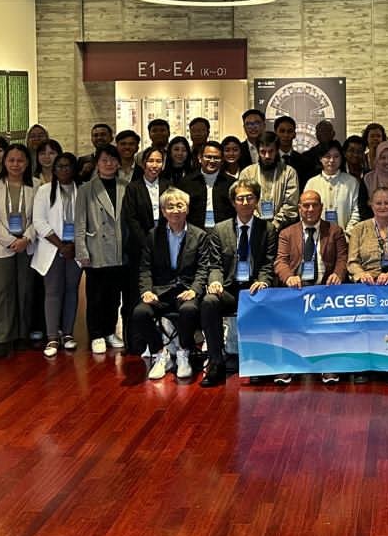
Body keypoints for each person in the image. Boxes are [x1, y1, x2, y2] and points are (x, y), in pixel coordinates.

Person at [134, 188, 219, 382]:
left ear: (187, 209)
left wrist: (195, 290)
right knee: (140, 313)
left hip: (186, 291)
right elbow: (145, 268)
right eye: (170, 207)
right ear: (163, 212)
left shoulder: (199, 235)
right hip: (161, 292)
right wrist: (146, 291)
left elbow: (203, 269)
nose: (175, 211)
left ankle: (183, 352)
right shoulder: (153, 236)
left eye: (180, 205)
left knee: (189, 310)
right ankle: (160, 353)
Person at [267, 189, 350, 385]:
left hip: (325, 289)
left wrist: (338, 275)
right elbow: (280, 262)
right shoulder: (287, 233)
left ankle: (328, 365)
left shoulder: (335, 231)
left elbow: (342, 258)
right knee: (285, 316)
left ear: (321, 208)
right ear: (299, 208)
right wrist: (289, 277)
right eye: (306, 205)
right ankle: (288, 364)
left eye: (314, 205)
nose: (310, 209)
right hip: (297, 290)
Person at [209, 180, 278, 381]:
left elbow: (268, 263)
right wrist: (215, 281)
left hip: (254, 288)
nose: (245, 202)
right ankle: (216, 362)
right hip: (229, 289)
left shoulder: (268, 229)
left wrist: (264, 281)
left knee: (262, 299)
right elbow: (215, 264)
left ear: (257, 200)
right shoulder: (220, 229)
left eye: (250, 198)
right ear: (233, 202)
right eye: (240, 198)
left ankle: (257, 362)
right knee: (209, 302)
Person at [349, 185, 388, 384]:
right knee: (364, 329)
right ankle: (363, 367)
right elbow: (352, 262)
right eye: (378, 203)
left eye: (387, 203)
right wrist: (362, 274)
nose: (383, 206)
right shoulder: (359, 229)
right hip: (366, 286)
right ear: (371, 204)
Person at [75, 145, 133, 355]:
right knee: (96, 296)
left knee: (114, 296)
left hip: (120, 249)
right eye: (104, 160)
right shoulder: (86, 189)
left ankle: (109, 331)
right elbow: (80, 222)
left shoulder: (126, 186)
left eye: (112, 160)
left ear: (118, 162)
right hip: (96, 249)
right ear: (97, 163)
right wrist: (82, 251)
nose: (109, 164)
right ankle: (96, 334)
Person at [0, 143, 37, 355]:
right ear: (5, 162)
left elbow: (38, 217)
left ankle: (22, 334)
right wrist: (9, 240)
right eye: (11, 160)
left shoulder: (36, 184)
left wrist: (26, 238)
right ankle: (4, 336)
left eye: (20, 160)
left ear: (27, 163)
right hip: (0, 246)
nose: (16, 164)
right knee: (2, 292)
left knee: (25, 290)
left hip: (26, 245)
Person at [31, 152, 83, 357]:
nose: (64, 170)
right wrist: (61, 246)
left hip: (76, 249)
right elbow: (38, 221)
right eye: (60, 166)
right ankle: (52, 336)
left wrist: (74, 245)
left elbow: (87, 220)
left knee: (71, 290)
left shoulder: (82, 190)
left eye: (68, 166)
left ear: (74, 169)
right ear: (54, 169)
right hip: (52, 248)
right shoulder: (44, 191)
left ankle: (68, 333)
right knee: (53, 292)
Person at [238, 132, 300, 232]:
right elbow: (245, 203)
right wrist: (259, 224)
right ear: (257, 151)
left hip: (282, 229)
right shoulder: (247, 173)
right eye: (263, 152)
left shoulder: (289, 172)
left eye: (271, 151)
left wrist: (274, 225)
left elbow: (290, 206)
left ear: (277, 150)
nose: (267, 156)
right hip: (254, 229)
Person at [304, 139, 361, 232]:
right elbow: (305, 211)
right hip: (318, 236)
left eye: (336, 156)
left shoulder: (352, 182)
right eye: (327, 156)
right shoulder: (312, 183)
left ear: (341, 158)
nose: (332, 160)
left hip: (345, 236)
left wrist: (347, 234)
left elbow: (356, 211)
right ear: (320, 158)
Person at [178, 141, 235, 229]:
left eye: (216, 158)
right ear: (200, 158)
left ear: (222, 160)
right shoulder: (186, 182)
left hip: (223, 230)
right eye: (208, 157)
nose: (212, 161)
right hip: (194, 230)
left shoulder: (231, 183)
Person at [273, 115, 316, 184]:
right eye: (282, 131)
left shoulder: (304, 162)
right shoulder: (268, 160)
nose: (286, 135)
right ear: (275, 133)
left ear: (294, 134)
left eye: (290, 131)